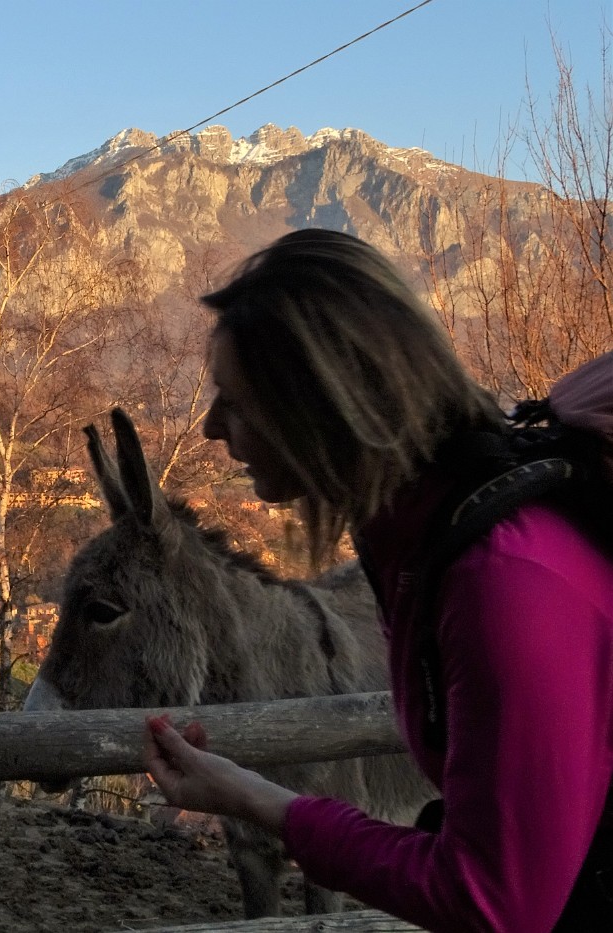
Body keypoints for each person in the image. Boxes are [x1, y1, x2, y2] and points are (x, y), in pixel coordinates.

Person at [142, 228, 613, 931]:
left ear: (321, 409)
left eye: (236, 401)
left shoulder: (503, 581)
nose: (211, 428)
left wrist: (264, 803)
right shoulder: (426, 533)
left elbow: (496, 903)